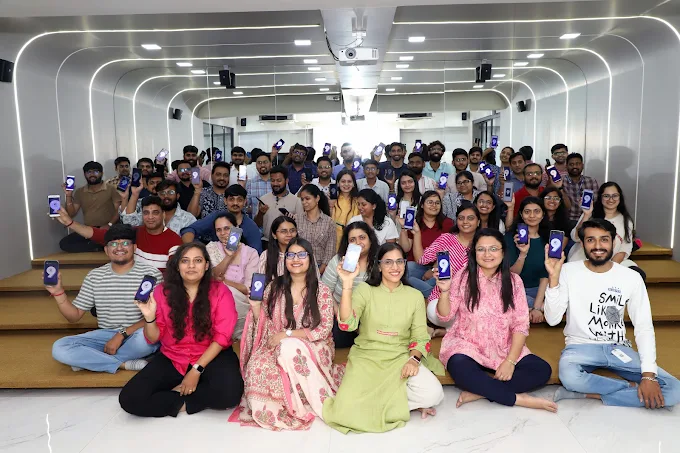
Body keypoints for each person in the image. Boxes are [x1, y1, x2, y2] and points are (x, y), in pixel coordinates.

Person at [545, 218, 680, 409]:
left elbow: (643, 326)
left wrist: (649, 376)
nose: (597, 246)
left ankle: (590, 394)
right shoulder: (567, 271)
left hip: (618, 348)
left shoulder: (630, 277)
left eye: (604, 239)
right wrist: (553, 279)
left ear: (614, 242)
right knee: (569, 376)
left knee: (674, 390)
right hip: (580, 347)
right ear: (582, 243)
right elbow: (552, 320)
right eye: (591, 240)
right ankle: (631, 389)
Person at [323, 243, 445, 433]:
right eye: (388, 262)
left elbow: (420, 337)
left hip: (400, 358)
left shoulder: (414, 296)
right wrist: (347, 284)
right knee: (343, 410)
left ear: (405, 264)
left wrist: (413, 360)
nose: (395, 267)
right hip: (367, 358)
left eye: (399, 261)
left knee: (434, 394)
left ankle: (379, 404)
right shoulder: (365, 290)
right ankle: (394, 404)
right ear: (379, 266)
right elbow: (347, 325)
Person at [230, 238, 344, 430]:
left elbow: (324, 329)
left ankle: (307, 403)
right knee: (258, 366)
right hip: (275, 341)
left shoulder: (322, 290)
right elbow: (264, 324)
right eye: (291, 255)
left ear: (310, 258)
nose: (296, 259)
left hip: (314, 344)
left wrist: (288, 335)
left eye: (301, 255)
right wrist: (256, 306)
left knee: (290, 348)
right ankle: (279, 408)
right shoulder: (274, 287)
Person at [436, 229, 556, 411]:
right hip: (468, 345)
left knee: (541, 370)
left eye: (493, 249)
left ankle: (481, 391)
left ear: (503, 252)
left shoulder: (514, 281)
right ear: (474, 253)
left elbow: (520, 326)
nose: (487, 254)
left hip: (503, 346)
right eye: (481, 249)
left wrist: (510, 362)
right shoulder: (462, 277)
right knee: (459, 366)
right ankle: (518, 399)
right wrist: (444, 291)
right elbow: (445, 315)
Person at [118, 242, 243, 417]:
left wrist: (196, 371)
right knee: (129, 399)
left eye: (198, 260)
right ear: (177, 266)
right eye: (185, 261)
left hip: (213, 355)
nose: (191, 266)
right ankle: (186, 397)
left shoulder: (221, 291)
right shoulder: (162, 292)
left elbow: (222, 337)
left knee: (230, 394)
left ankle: (183, 394)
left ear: (206, 265)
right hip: (174, 356)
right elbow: (153, 338)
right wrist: (149, 317)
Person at [48, 224, 163, 373]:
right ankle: (122, 364)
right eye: (113, 244)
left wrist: (121, 334)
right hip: (105, 335)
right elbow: (74, 316)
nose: (119, 247)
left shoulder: (151, 274)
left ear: (134, 248)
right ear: (106, 250)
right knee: (59, 347)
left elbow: (157, 317)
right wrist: (58, 293)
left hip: (138, 332)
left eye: (125, 243)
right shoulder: (95, 276)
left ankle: (91, 361)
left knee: (146, 341)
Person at [53, 197, 181, 271]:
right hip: (130, 285)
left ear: (164, 215)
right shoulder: (135, 232)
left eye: (155, 213)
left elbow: (173, 275)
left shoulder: (174, 240)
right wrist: (70, 223)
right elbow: (97, 234)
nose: (150, 217)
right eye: (146, 213)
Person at [422, 202, 480, 328]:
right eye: (461, 218)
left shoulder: (483, 244)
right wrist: (434, 268)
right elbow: (423, 259)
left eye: (470, 218)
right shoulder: (446, 239)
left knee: (481, 313)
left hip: (472, 298)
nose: (465, 222)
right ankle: (457, 329)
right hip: (443, 297)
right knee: (435, 313)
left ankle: (448, 331)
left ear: (478, 222)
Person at [322, 222, 379, 348]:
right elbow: (325, 291)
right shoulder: (338, 261)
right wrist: (340, 314)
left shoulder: (379, 263)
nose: (358, 242)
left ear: (370, 239)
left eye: (362, 237)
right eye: (352, 240)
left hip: (369, 317)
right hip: (340, 313)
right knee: (337, 335)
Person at [206, 212, 260, 340]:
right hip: (214, 300)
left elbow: (250, 289)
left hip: (241, 302)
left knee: (227, 292)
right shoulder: (211, 248)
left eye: (227, 228)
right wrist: (229, 256)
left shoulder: (251, 253)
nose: (223, 233)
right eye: (218, 230)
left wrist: (225, 282)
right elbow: (212, 276)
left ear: (237, 229)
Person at [568, 182, 640, 272]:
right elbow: (575, 237)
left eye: (615, 196)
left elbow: (625, 248)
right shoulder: (591, 214)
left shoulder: (626, 221)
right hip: (581, 263)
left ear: (620, 197)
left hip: (609, 265)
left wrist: (609, 269)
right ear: (600, 197)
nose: (611, 199)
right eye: (606, 196)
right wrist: (586, 214)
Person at [399, 190, 453, 299]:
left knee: (443, 275)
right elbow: (405, 248)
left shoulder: (447, 223)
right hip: (417, 266)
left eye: (437, 203)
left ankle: (420, 290)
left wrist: (433, 270)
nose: (434, 205)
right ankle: (431, 292)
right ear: (422, 205)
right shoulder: (414, 222)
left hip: (438, 267)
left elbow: (449, 251)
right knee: (407, 269)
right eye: (430, 202)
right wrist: (403, 229)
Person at [60, 161, 122, 253]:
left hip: (107, 229)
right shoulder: (80, 192)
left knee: (115, 239)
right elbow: (71, 214)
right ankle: (98, 246)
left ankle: (97, 245)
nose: (92, 175)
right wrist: (68, 195)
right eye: (89, 172)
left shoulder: (111, 189)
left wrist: (109, 224)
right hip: (89, 230)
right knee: (65, 244)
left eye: (96, 172)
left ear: (102, 173)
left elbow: (119, 210)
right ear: (85, 174)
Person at [179, 185, 262, 253]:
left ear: (245, 202)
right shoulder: (216, 216)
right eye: (231, 199)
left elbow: (256, 253)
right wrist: (195, 251)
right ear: (225, 201)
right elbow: (189, 230)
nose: (235, 203)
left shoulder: (251, 226)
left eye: (239, 200)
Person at [505, 197, 550, 322]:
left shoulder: (549, 240)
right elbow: (512, 274)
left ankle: (531, 309)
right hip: (516, 291)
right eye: (527, 211)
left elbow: (546, 276)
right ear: (521, 214)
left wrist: (536, 307)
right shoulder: (510, 238)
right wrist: (523, 253)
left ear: (543, 214)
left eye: (537, 211)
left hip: (541, 292)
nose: (532, 215)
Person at [121, 180, 196, 236]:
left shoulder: (188, 219)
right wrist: (135, 194)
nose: (166, 196)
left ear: (177, 196)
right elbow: (129, 222)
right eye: (162, 193)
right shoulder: (149, 214)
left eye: (171, 192)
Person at [254, 166, 303, 249]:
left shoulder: (296, 201)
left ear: (286, 181)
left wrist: (292, 220)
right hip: (267, 243)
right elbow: (257, 225)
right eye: (272, 180)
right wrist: (261, 213)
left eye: (279, 180)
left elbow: (301, 227)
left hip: (288, 244)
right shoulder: (263, 199)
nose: (275, 184)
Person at [295, 184, 337, 274]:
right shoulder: (297, 219)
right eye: (302, 199)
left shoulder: (329, 222)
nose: (304, 202)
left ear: (317, 198)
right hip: (300, 265)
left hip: (322, 268)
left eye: (307, 198)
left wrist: (318, 273)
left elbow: (330, 252)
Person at [259, 216, 299, 284]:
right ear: (274, 235)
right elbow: (260, 283)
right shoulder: (266, 255)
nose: (289, 234)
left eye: (292, 231)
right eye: (284, 231)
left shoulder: (304, 254)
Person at [563, 152, 600, 222]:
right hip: (566, 220)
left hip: (588, 219)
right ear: (566, 166)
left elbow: (596, 202)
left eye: (577, 164)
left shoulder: (591, 181)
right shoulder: (561, 181)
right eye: (571, 164)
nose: (575, 166)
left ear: (582, 166)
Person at [331, 169, 360, 251]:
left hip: (353, 239)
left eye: (349, 181)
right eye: (343, 181)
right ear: (338, 183)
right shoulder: (331, 199)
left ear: (353, 184)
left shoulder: (358, 201)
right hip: (334, 239)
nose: (346, 184)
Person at [540, 187, 574, 256]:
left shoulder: (565, 222)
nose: (552, 201)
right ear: (542, 200)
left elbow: (558, 250)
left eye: (556, 198)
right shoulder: (536, 219)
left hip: (554, 257)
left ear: (560, 202)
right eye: (548, 198)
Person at [245, 152, 272, 220]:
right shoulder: (250, 183)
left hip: (276, 223)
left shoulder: (277, 182)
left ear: (270, 164)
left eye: (265, 162)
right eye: (259, 163)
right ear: (256, 165)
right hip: (258, 223)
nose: (262, 165)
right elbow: (245, 205)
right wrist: (242, 185)